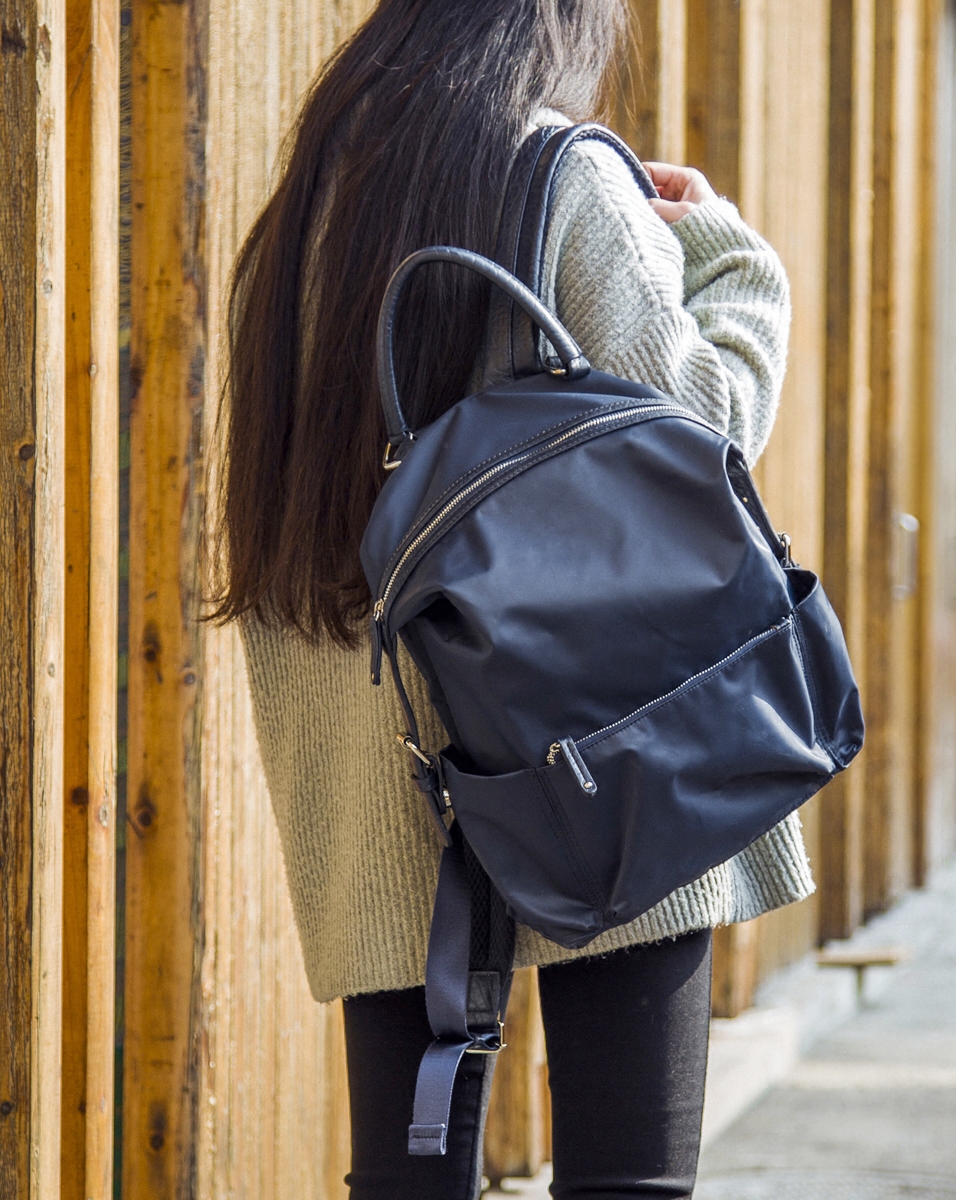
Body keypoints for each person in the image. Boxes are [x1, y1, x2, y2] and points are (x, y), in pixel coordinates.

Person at [213, 3, 810, 1197]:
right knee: (626, 1171)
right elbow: (704, 432)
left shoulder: (301, 220)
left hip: (375, 760)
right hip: (596, 747)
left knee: (409, 1164)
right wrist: (739, 262)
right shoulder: (559, 173)